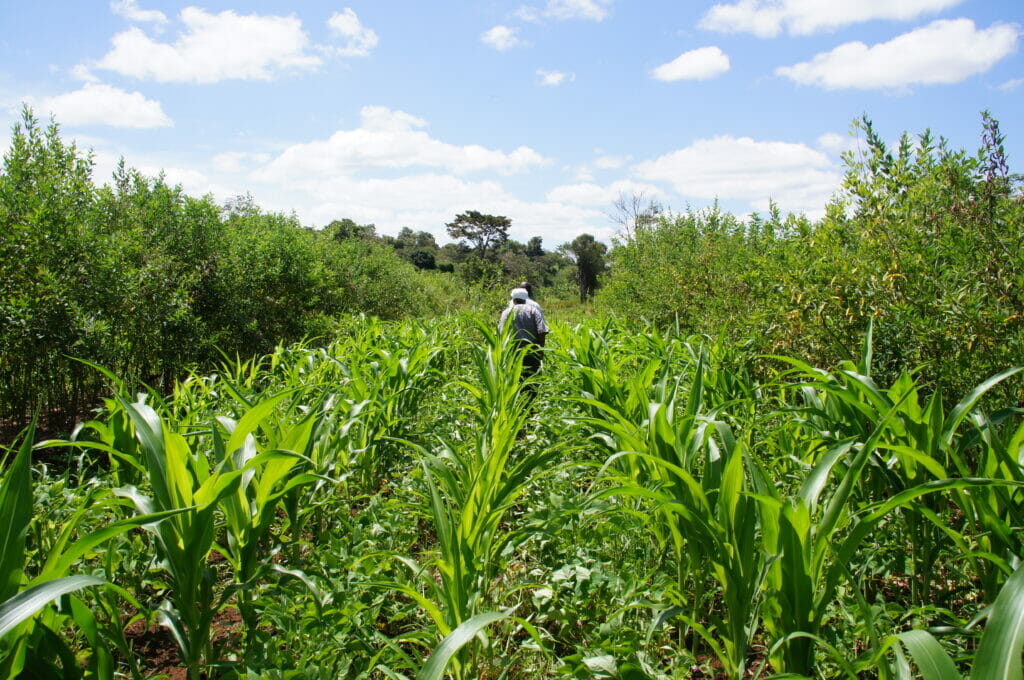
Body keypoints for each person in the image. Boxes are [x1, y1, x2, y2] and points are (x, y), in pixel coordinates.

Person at [498, 287, 549, 381]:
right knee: (533, 379)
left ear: (513, 300)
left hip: (513, 350)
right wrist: (541, 351)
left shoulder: (506, 312)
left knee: (516, 380)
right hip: (532, 350)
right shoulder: (534, 311)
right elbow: (542, 331)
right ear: (525, 299)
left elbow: (501, 333)